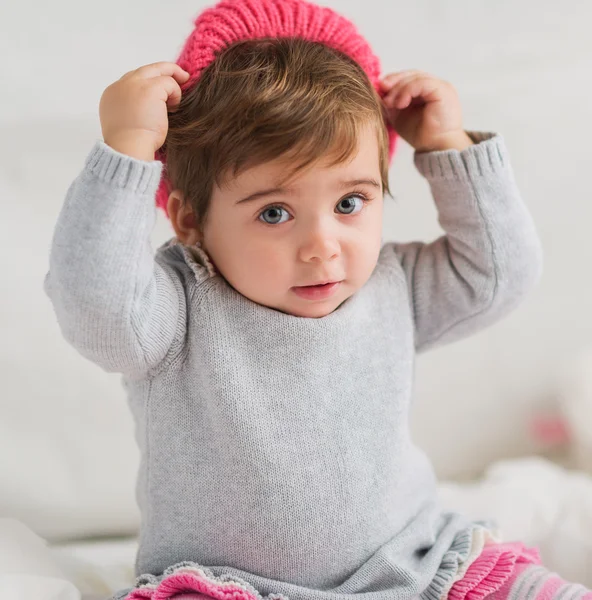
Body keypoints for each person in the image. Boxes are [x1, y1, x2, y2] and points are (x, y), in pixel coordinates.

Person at [44, 1, 588, 599]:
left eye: (350, 202)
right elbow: (93, 302)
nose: (322, 247)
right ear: (189, 219)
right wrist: (124, 151)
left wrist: (449, 149)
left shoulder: (393, 285)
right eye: (274, 213)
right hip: (231, 587)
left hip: (418, 561)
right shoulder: (174, 312)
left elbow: (499, 274)